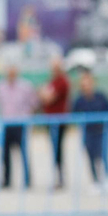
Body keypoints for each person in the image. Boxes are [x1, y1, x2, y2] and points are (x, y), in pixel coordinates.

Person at [0, 63, 37, 188]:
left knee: (23, 152)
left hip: (20, 123)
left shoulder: (25, 86)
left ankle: (27, 179)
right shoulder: (0, 87)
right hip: (6, 124)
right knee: (5, 154)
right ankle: (6, 180)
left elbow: (33, 102)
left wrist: (26, 114)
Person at [70, 69, 108, 186]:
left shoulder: (101, 97)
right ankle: (95, 181)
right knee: (90, 156)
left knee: (104, 155)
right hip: (88, 132)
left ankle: (107, 179)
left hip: (102, 131)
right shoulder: (79, 99)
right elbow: (74, 113)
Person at [39, 56, 72, 190]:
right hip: (50, 120)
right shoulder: (53, 81)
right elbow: (43, 96)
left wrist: (43, 93)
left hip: (59, 120)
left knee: (58, 150)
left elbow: (47, 98)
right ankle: (57, 176)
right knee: (55, 150)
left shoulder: (62, 82)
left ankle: (60, 178)